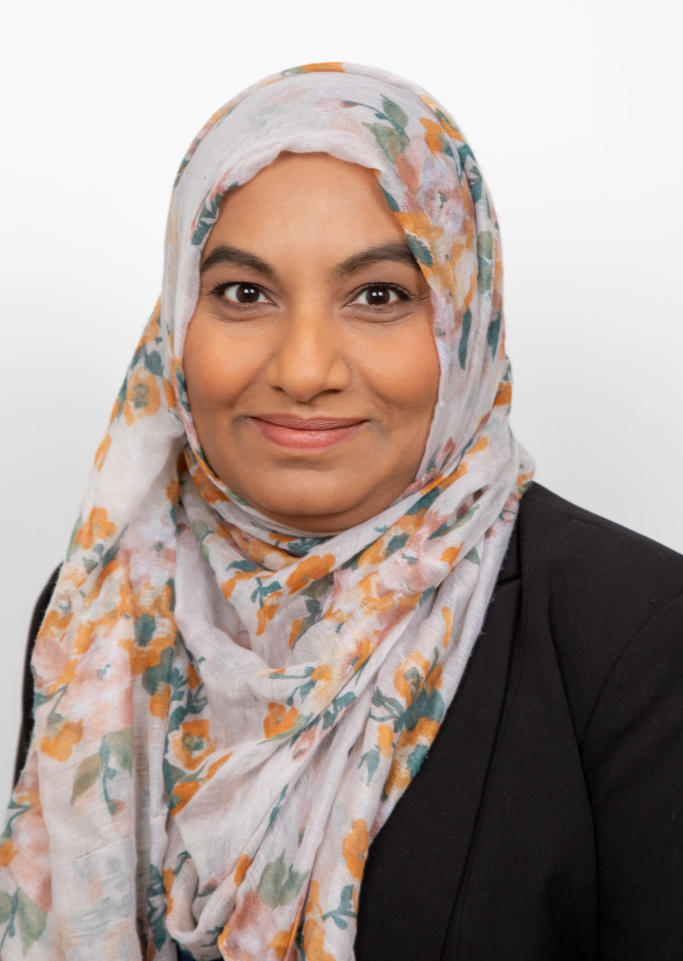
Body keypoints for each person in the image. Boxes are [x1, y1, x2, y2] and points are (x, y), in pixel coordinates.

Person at [3, 63, 682, 961]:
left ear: (464, 320)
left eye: (379, 296)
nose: (304, 369)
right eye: (244, 293)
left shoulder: (631, 630)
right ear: (176, 325)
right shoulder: (98, 610)